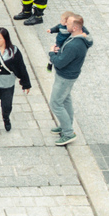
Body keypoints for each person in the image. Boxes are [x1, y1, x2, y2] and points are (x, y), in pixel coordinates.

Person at [47, 13, 91, 147]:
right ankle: (66, 125)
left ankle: (68, 133)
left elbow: (60, 63)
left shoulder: (74, 45)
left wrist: (52, 53)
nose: (66, 25)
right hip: (68, 76)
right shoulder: (80, 37)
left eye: (69, 24)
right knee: (65, 99)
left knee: (55, 103)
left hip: (65, 77)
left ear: (76, 28)